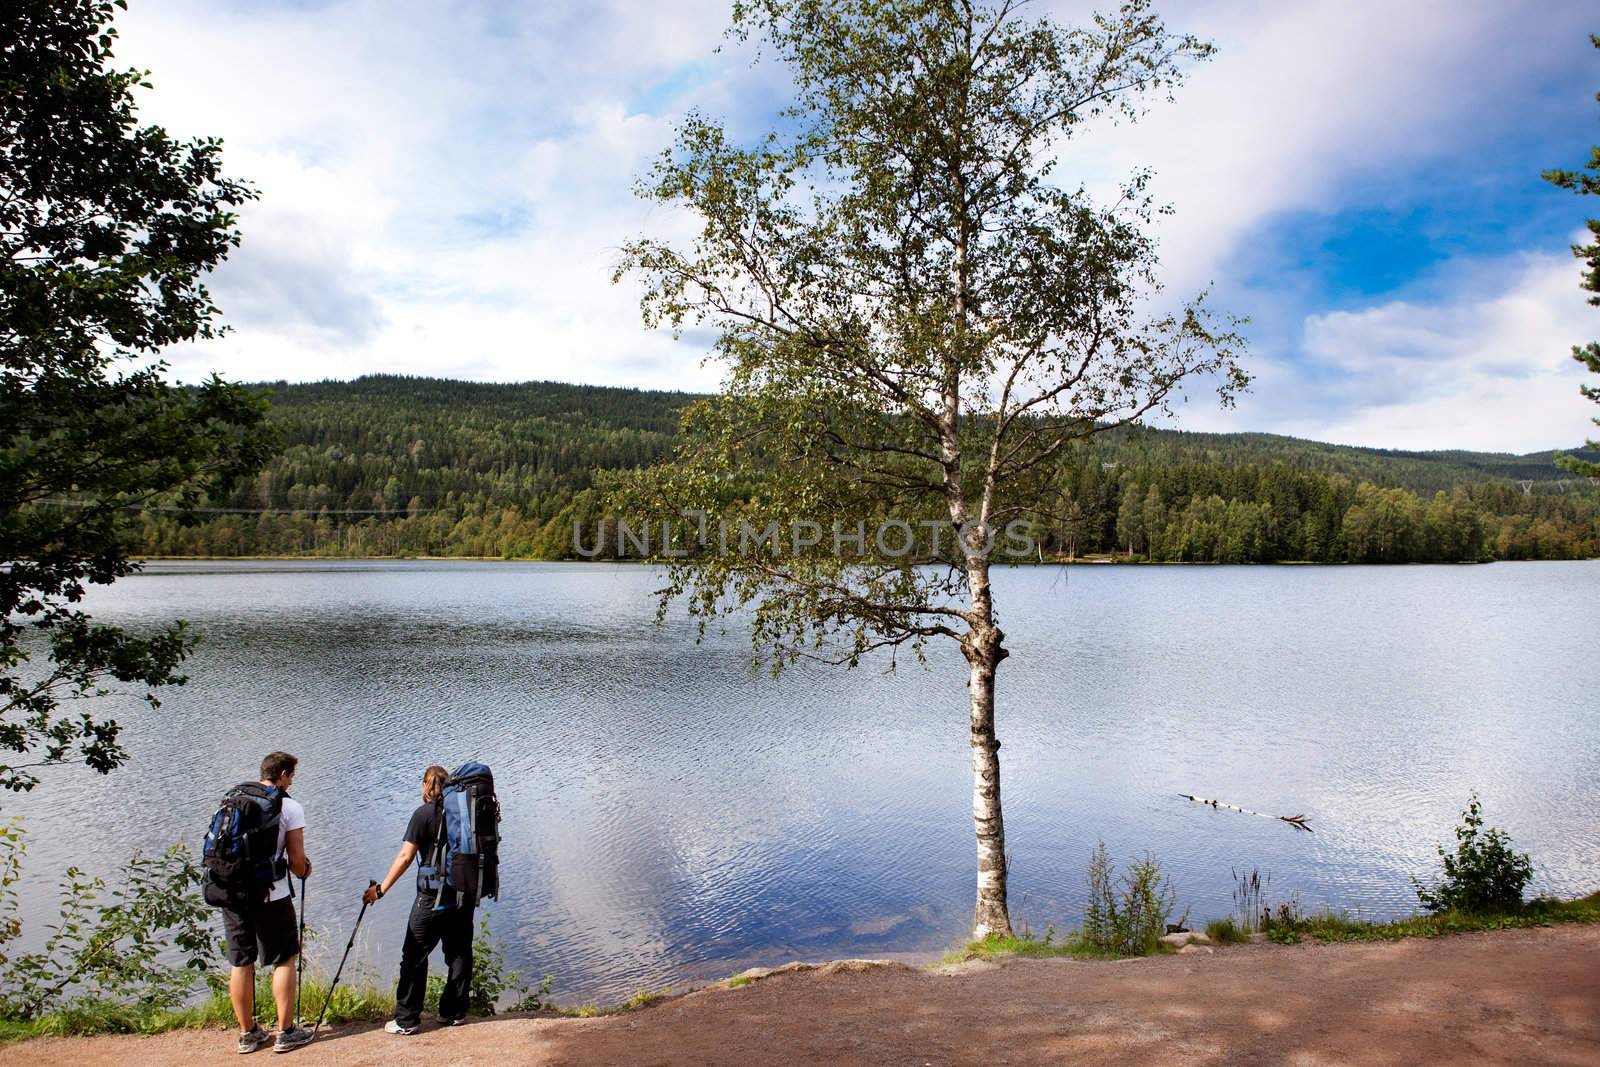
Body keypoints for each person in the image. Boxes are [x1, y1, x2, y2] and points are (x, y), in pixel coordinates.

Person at [365, 765, 474, 1035]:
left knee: (413, 956)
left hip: (431, 899)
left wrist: (381, 889)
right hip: (461, 898)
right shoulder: (463, 814)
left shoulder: (423, 814)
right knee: (459, 953)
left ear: (426, 784)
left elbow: (404, 858)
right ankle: (454, 1012)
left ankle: (407, 1020)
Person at [224, 751, 313, 1054]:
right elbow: (296, 861)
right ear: (284, 775)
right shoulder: (289, 806)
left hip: (232, 892)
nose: (292, 780)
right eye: (292, 775)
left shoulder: (234, 798)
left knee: (241, 962)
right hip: (271, 893)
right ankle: (286, 1031)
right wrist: (304, 870)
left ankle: (248, 1034)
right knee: (284, 957)